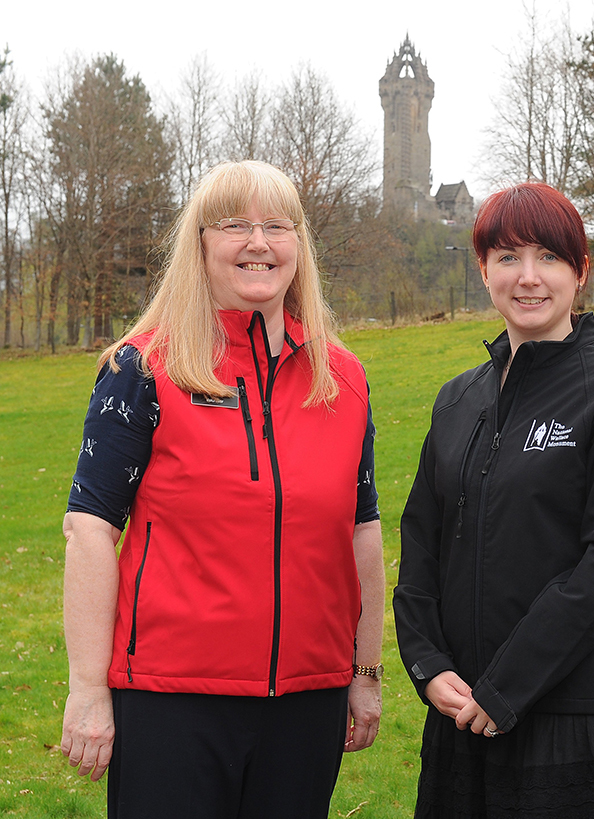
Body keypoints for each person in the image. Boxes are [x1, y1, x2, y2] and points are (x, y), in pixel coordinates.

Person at [60, 160, 385, 819]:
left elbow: (362, 532)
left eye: (276, 225)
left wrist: (365, 674)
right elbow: (90, 528)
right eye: (235, 224)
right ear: (201, 242)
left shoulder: (343, 379)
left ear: (299, 244)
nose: (258, 242)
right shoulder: (141, 368)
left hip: (306, 702)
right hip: (171, 701)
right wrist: (89, 688)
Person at [394, 182, 594, 818]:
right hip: (462, 716)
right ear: (483, 269)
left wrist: (507, 686)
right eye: (508, 256)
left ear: (581, 272)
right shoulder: (458, 399)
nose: (528, 278)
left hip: (576, 721)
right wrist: (429, 666)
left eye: (548, 257)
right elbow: (420, 548)